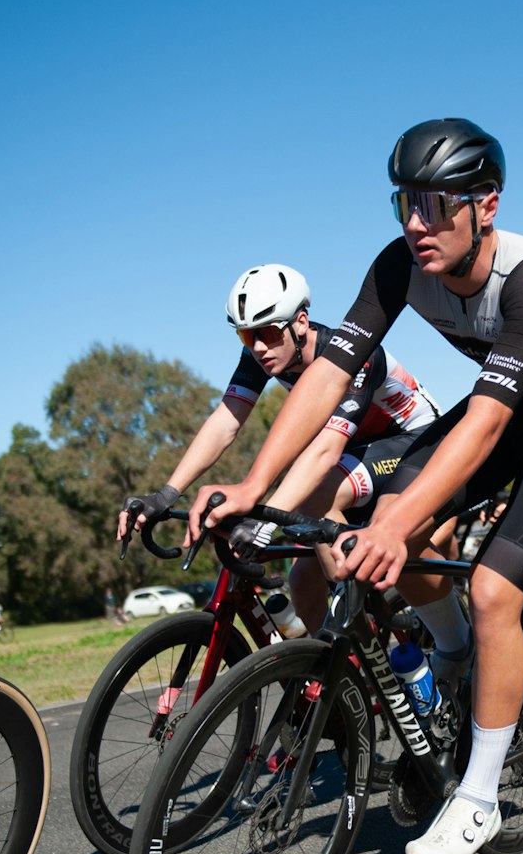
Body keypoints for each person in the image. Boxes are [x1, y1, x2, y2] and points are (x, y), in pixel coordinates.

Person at [197, 118, 523, 854]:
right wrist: (252, 484)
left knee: (493, 587)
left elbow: (488, 421)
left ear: (484, 204)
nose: (416, 224)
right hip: (512, 407)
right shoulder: (400, 265)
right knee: (395, 513)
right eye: (404, 203)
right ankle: (454, 654)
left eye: (436, 205)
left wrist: (400, 524)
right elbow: (327, 374)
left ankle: (480, 796)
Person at [118, 264, 443, 631]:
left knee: (319, 496)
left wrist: (263, 523)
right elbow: (226, 421)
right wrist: (167, 493)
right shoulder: (266, 355)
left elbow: (325, 452)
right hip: (358, 453)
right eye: (245, 336)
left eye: (268, 332)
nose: (258, 347)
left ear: (301, 322)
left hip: (414, 444)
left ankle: (381, 630)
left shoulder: (354, 353)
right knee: (303, 583)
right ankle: (351, 673)